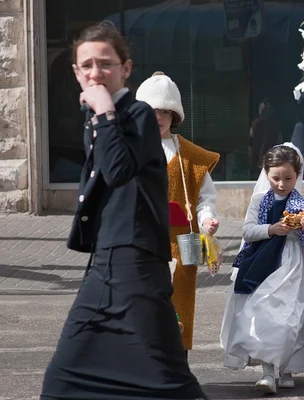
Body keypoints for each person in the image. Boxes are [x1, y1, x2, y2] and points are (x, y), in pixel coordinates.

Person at [40, 22, 206, 399]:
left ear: (125, 69)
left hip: (131, 258)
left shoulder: (137, 115)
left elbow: (117, 171)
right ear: (75, 73)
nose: (95, 73)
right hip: (114, 255)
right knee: (75, 375)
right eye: (86, 66)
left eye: (105, 63)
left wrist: (102, 112)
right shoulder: (103, 116)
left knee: (71, 377)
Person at [220, 143, 304, 394]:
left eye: (288, 178)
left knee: (294, 318)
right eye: (276, 178)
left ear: (298, 175)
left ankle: (288, 367)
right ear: (266, 174)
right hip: (266, 264)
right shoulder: (259, 200)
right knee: (265, 314)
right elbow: (248, 231)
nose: (282, 184)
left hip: (297, 264)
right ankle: (268, 371)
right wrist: (271, 229)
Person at [136, 71, 220, 350]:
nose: (158, 117)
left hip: (181, 244)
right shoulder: (127, 151)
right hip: (140, 242)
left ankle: (177, 371)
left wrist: (207, 220)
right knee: (142, 309)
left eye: (164, 111)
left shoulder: (191, 156)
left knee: (179, 307)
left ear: (175, 115)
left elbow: (205, 198)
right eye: (150, 111)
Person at [249, 99, 281, 177]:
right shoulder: (256, 123)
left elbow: (251, 137)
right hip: (262, 151)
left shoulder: (272, 124)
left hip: (267, 151)